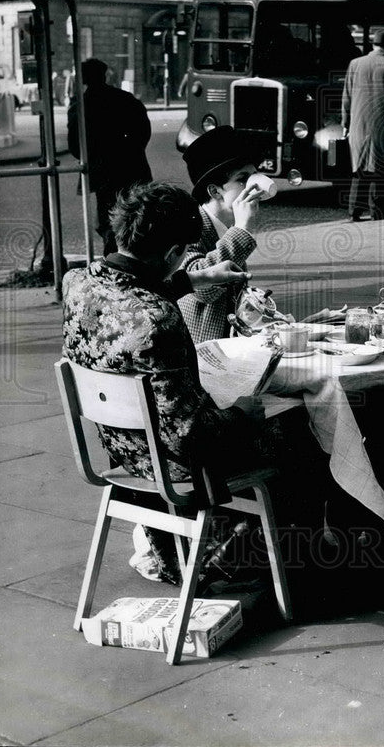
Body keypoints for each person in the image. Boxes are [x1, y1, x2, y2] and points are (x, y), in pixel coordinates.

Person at [61, 181, 326, 583]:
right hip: (175, 462)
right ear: (172, 253)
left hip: (121, 448)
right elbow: (193, 434)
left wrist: (193, 280)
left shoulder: (76, 284)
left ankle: (196, 547)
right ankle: (263, 558)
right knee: (303, 428)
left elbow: (129, 294)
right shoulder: (158, 320)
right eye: (182, 256)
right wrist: (243, 412)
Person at [179, 126, 276, 344]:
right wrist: (241, 229)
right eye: (243, 179)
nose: (254, 186)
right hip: (201, 352)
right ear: (215, 191)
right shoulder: (189, 225)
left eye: (255, 176)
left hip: (231, 344)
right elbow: (202, 289)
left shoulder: (226, 227)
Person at [67, 58, 152, 255]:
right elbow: (143, 131)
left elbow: (75, 144)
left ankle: (114, 258)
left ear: (83, 78)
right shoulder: (126, 98)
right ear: (104, 75)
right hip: (132, 166)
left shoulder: (81, 104)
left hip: (102, 171)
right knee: (136, 214)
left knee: (108, 220)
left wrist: (90, 157)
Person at [341, 28, 384, 222]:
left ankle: (353, 212)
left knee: (359, 169)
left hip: (358, 125)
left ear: (372, 45)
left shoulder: (355, 64)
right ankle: (376, 211)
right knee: (378, 169)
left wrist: (345, 123)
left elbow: (347, 96)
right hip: (382, 125)